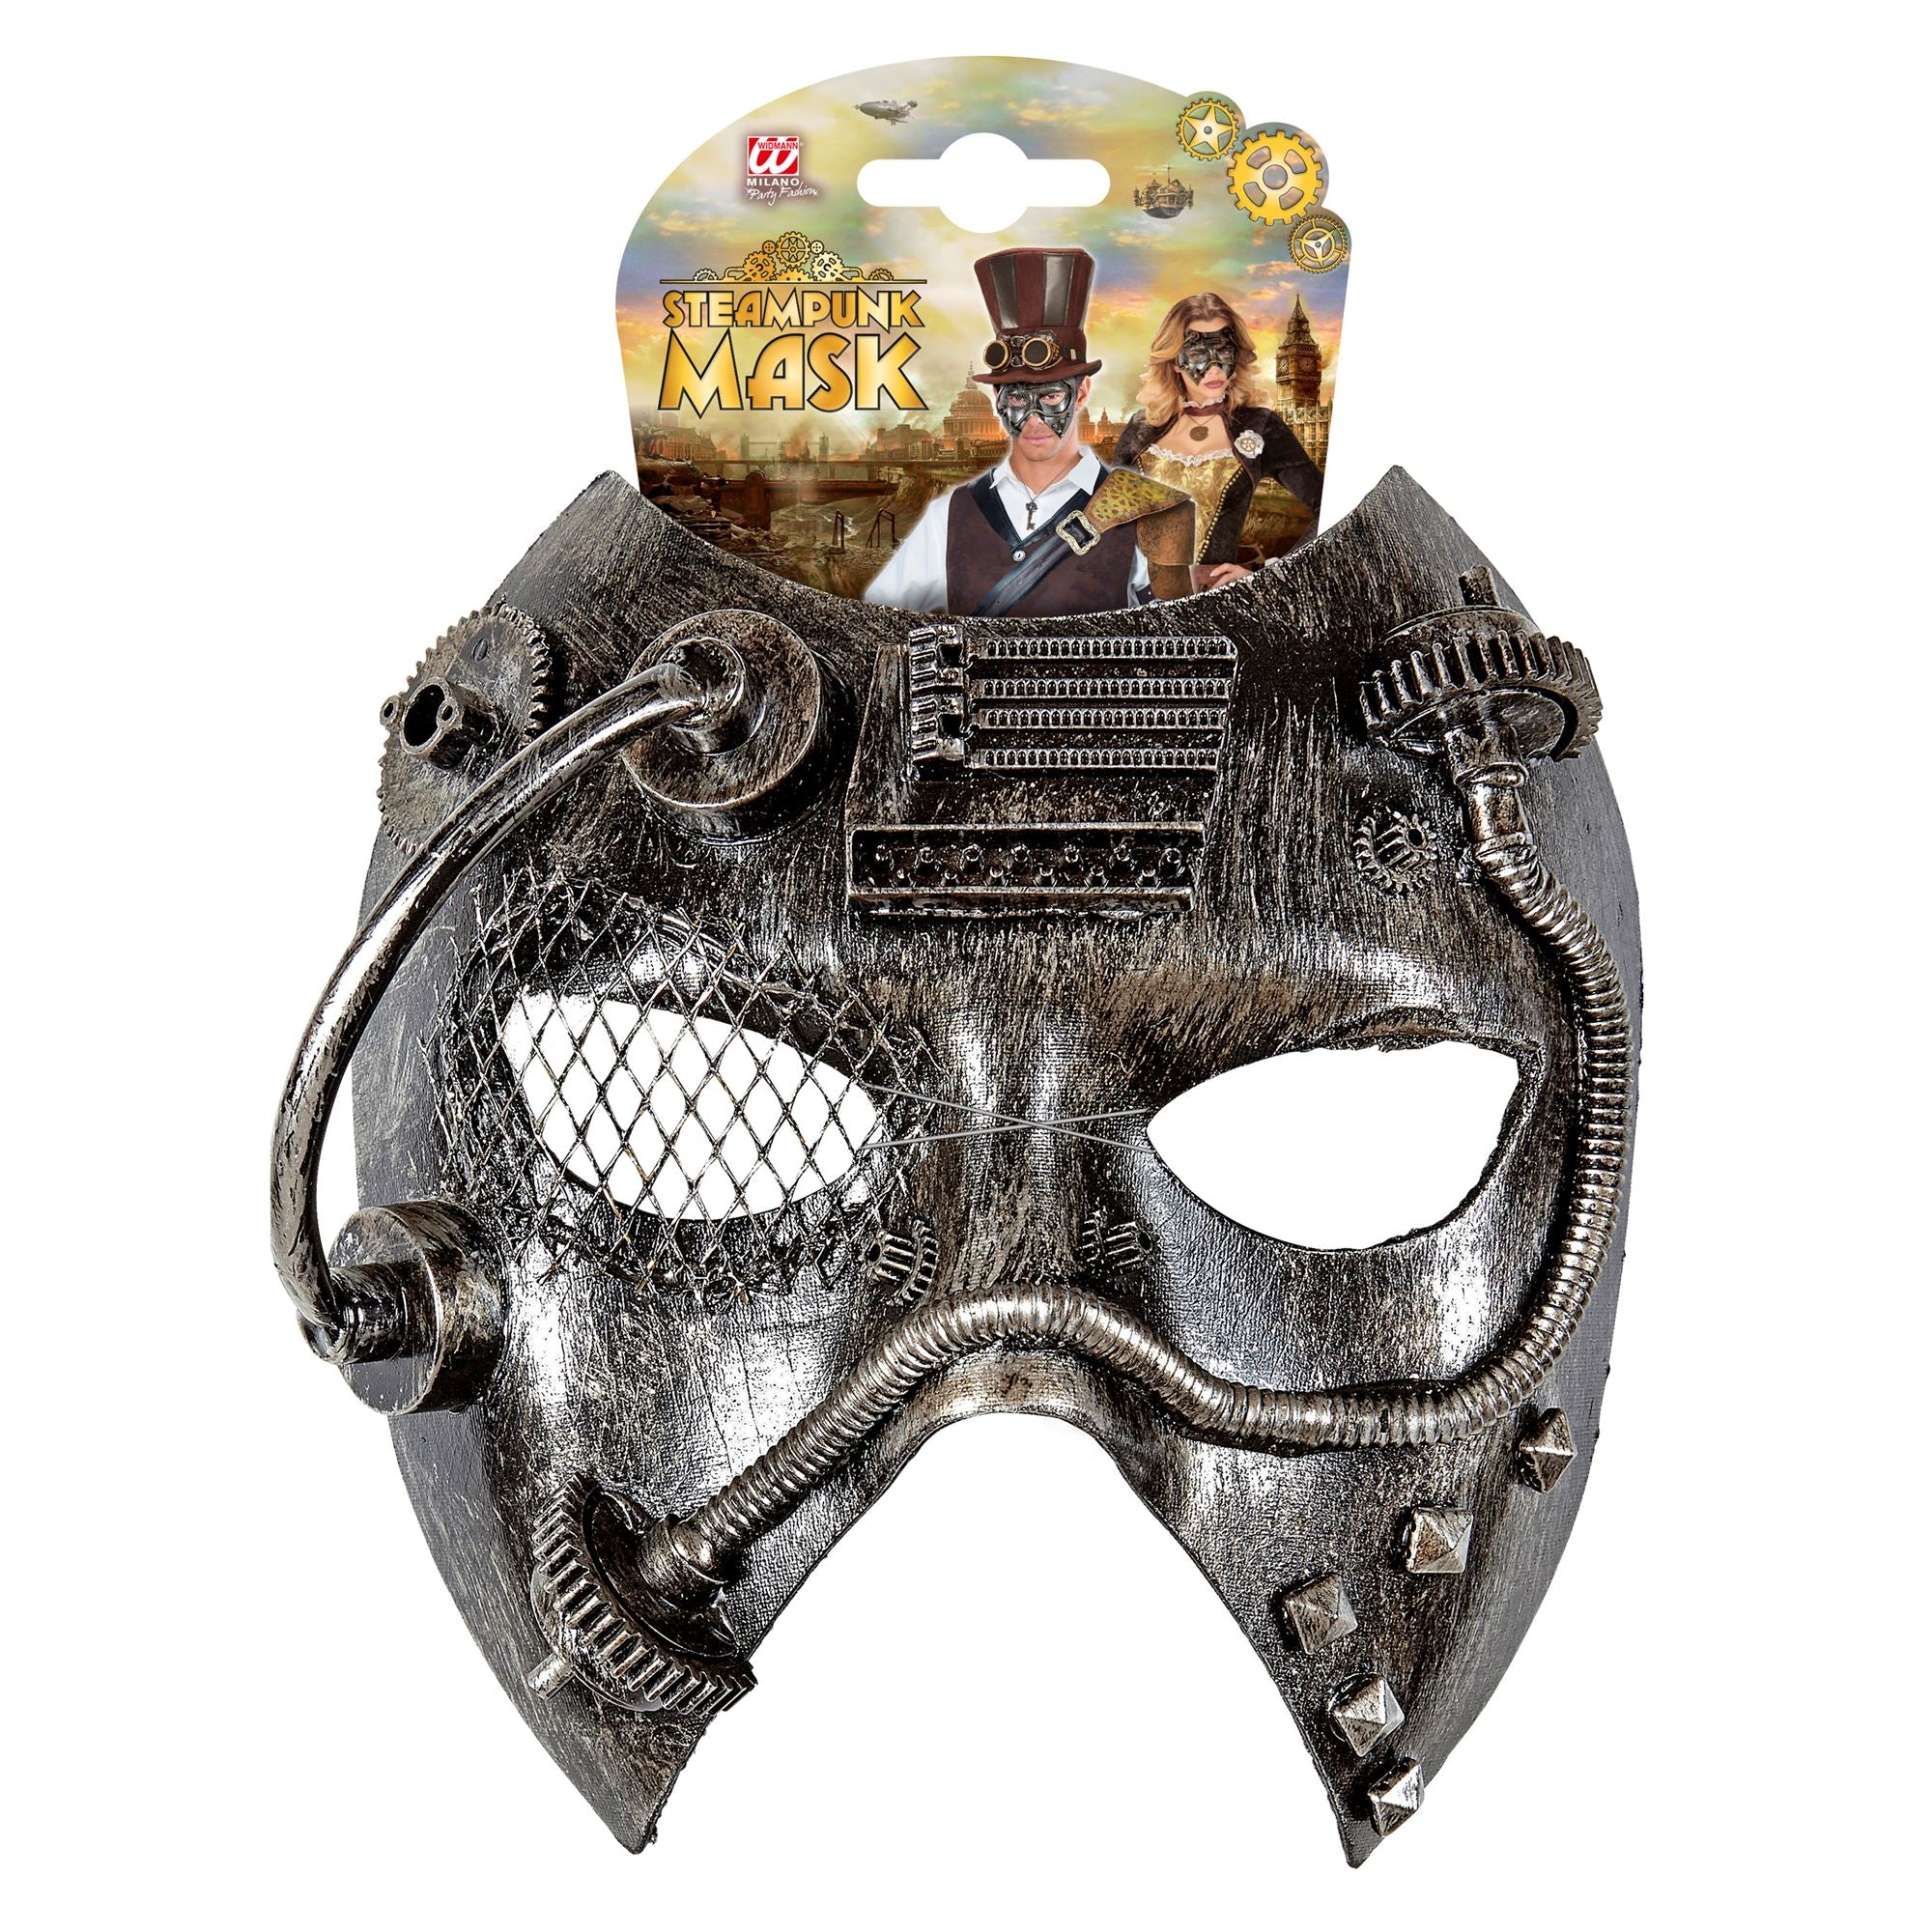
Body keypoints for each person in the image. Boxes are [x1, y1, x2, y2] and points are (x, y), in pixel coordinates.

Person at [865, 246, 1192, 616]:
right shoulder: (949, 515)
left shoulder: (1148, 514)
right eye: (1019, 398)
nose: (1035, 419)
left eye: (1050, 395)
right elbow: (875, 626)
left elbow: (1177, 639)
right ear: (998, 399)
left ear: (1082, 392)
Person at [1113, 292, 1325, 589]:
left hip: (1215, 604)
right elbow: (1111, 525)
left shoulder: (1260, 426)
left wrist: (1267, 576)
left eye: (1224, 352)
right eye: (1198, 354)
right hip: (1136, 602)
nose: (1214, 369)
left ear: (1237, 355)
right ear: (1174, 361)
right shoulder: (1142, 428)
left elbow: (1330, 508)